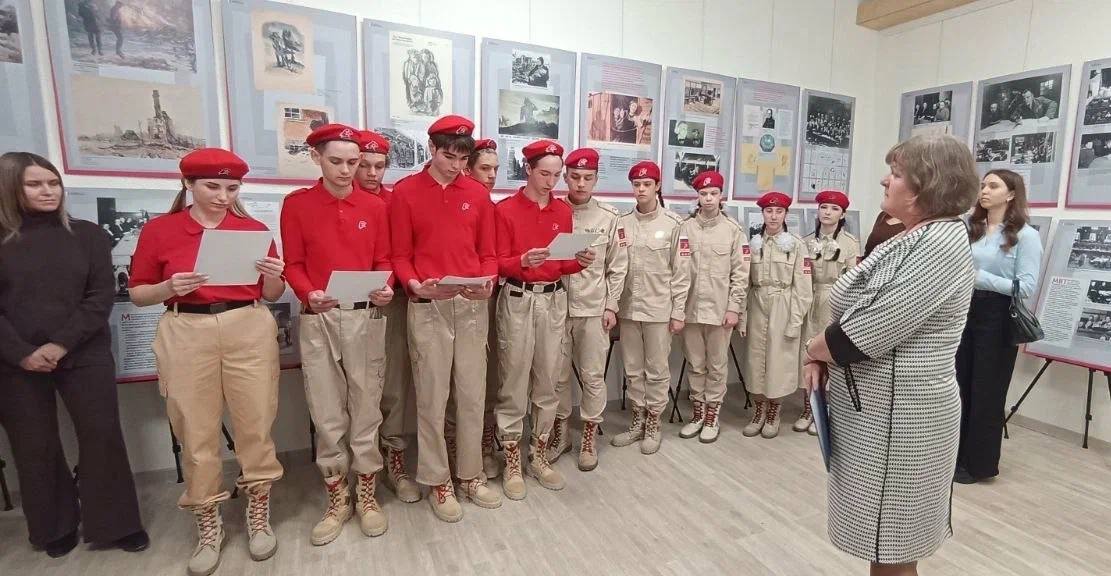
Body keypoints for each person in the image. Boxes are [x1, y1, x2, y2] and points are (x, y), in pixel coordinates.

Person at [803, 133, 979, 576]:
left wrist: (813, 349)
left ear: (924, 185)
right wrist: (823, 351)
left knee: (893, 550)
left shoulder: (939, 245)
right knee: (885, 547)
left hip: (902, 424)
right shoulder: (913, 236)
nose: (885, 180)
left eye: (896, 174)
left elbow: (862, 334)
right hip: (882, 417)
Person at [129, 148, 285, 574]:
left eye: (232, 188)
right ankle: (207, 520)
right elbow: (138, 293)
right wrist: (169, 287)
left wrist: (275, 275)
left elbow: (271, 294)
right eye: (212, 187)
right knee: (194, 429)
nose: (222, 196)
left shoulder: (251, 229)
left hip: (247, 325)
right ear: (188, 184)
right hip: (186, 328)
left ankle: (258, 513)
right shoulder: (161, 230)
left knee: (256, 423)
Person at [0, 152, 147, 559]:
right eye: (35, 184)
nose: (48, 191)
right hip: (15, 359)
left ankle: (117, 525)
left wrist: (60, 344)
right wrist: (22, 353)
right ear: (10, 188)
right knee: (35, 443)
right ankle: (54, 526)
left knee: (102, 435)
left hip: (84, 350)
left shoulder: (87, 234)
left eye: (53, 183)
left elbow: (100, 296)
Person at [280, 124, 394, 546]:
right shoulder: (297, 205)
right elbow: (293, 263)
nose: (347, 170)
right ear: (316, 158)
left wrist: (387, 286)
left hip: (365, 316)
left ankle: (367, 494)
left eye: (353, 162)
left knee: (366, 407)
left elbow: (383, 259)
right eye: (337, 161)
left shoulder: (375, 206)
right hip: (320, 317)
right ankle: (336, 497)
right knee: (327, 411)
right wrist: (308, 292)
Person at [390, 115, 501, 522]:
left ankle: (470, 474)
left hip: (471, 305)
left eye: (462, 159)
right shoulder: (405, 193)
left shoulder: (476, 194)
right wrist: (414, 284)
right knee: (432, 398)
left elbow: (488, 253)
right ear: (432, 149)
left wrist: (488, 281)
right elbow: (400, 254)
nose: (456, 166)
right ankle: (438, 480)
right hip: (428, 305)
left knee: (472, 395)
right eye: (448, 156)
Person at [494, 139, 595, 498]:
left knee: (549, 381)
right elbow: (495, 261)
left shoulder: (562, 212)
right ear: (528, 170)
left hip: (553, 299)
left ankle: (538, 455)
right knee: (513, 381)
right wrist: (520, 261)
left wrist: (578, 263)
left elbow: (560, 264)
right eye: (544, 174)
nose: (551, 182)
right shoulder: (505, 210)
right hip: (518, 298)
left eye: (556, 175)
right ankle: (511, 460)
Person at [955, 169, 1042, 484]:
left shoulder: (1025, 235)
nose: (984, 190)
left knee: (987, 391)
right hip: (964, 310)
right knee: (959, 386)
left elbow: (1026, 286)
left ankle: (978, 465)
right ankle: (954, 457)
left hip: (998, 315)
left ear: (1011, 194)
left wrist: (981, 278)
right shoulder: (970, 228)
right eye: (983, 185)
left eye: (993, 186)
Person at [354, 130, 422, 504]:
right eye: (364, 166)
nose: (371, 174)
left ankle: (394, 456)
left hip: (391, 301)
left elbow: (407, 251)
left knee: (393, 384)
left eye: (379, 166)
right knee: (355, 389)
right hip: (346, 305)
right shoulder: (339, 201)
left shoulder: (395, 202)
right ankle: (358, 466)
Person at [549, 148, 627, 470]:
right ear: (566, 177)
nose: (581, 184)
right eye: (575, 177)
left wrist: (611, 306)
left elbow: (617, 267)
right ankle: (561, 433)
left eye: (588, 178)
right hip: (555, 307)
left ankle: (589, 436)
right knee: (556, 376)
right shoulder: (552, 211)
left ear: (596, 179)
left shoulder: (609, 217)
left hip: (593, 310)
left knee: (593, 376)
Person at [610, 161, 689, 454]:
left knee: (656, 369)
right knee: (633, 369)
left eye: (647, 184)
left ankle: (654, 422)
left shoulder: (674, 224)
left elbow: (682, 273)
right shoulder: (622, 223)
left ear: (657, 186)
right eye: (636, 185)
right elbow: (616, 266)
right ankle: (637, 421)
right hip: (630, 309)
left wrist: (678, 311)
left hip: (659, 310)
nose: (641, 189)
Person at [674, 170, 749, 443]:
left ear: (721, 196)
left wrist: (734, 308)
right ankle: (698, 414)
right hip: (691, 310)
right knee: (696, 364)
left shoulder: (733, 231)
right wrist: (677, 310)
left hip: (719, 311)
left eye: (713, 193)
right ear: (697, 196)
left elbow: (741, 274)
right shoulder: (685, 228)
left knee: (717, 366)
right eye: (703, 194)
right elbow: (678, 271)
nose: (708, 198)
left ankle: (712, 417)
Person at [742, 191, 812, 439]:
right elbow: (744, 282)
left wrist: (795, 321)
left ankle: (774, 411)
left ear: (785, 214)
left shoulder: (796, 245)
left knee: (778, 361)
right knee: (755, 360)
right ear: (762, 213)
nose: (773, 216)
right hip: (757, 304)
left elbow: (803, 288)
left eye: (778, 211)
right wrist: (742, 317)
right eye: (769, 211)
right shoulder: (753, 243)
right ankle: (758, 410)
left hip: (783, 304)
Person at [797, 190, 858, 435]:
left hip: (834, 300)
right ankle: (808, 408)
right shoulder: (805, 241)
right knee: (808, 354)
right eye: (824, 207)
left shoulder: (849, 243)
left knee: (829, 354)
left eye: (834, 209)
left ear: (842, 214)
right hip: (809, 297)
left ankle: (825, 410)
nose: (828, 213)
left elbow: (853, 280)